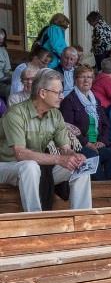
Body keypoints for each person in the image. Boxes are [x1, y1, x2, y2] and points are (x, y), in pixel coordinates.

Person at [0, 68, 92, 212]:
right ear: (42, 93)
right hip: (6, 166)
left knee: (81, 166)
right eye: (58, 92)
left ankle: (82, 217)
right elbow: (20, 154)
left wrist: (74, 156)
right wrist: (59, 159)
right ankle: (36, 218)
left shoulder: (56, 115)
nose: (62, 96)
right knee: (29, 166)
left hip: (37, 169)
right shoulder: (16, 113)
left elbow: (65, 149)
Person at [60, 64, 111, 181]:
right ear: (75, 79)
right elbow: (69, 128)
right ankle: (99, 191)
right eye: (82, 77)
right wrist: (87, 143)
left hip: (97, 143)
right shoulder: (69, 101)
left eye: (89, 77)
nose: (86, 80)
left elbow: (105, 124)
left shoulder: (95, 100)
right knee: (93, 157)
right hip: (79, 145)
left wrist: (102, 141)